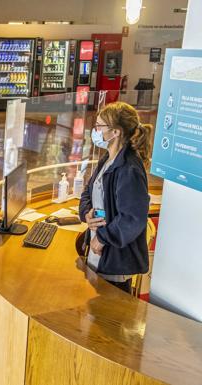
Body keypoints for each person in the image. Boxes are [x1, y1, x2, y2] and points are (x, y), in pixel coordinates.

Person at [79, 101, 152, 293]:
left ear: (116, 132)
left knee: (107, 319)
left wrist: (102, 238)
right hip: (99, 253)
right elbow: (88, 190)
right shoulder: (108, 158)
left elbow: (132, 218)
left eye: (100, 126)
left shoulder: (129, 169)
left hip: (114, 260)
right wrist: (86, 213)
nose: (96, 131)